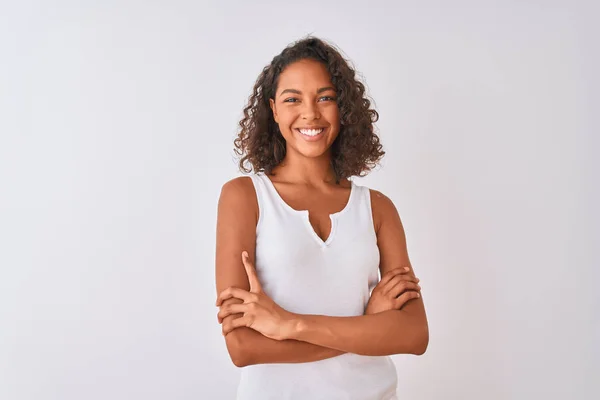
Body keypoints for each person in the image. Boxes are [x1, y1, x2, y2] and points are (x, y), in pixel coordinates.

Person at [215, 37, 429, 400]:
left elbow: (413, 335)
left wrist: (288, 325)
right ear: (274, 109)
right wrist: (368, 327)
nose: (310, 113)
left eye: (325, 97)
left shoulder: (377, 208)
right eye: (292, 99)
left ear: (342, 108)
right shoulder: (245, 197)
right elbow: (243, 348)